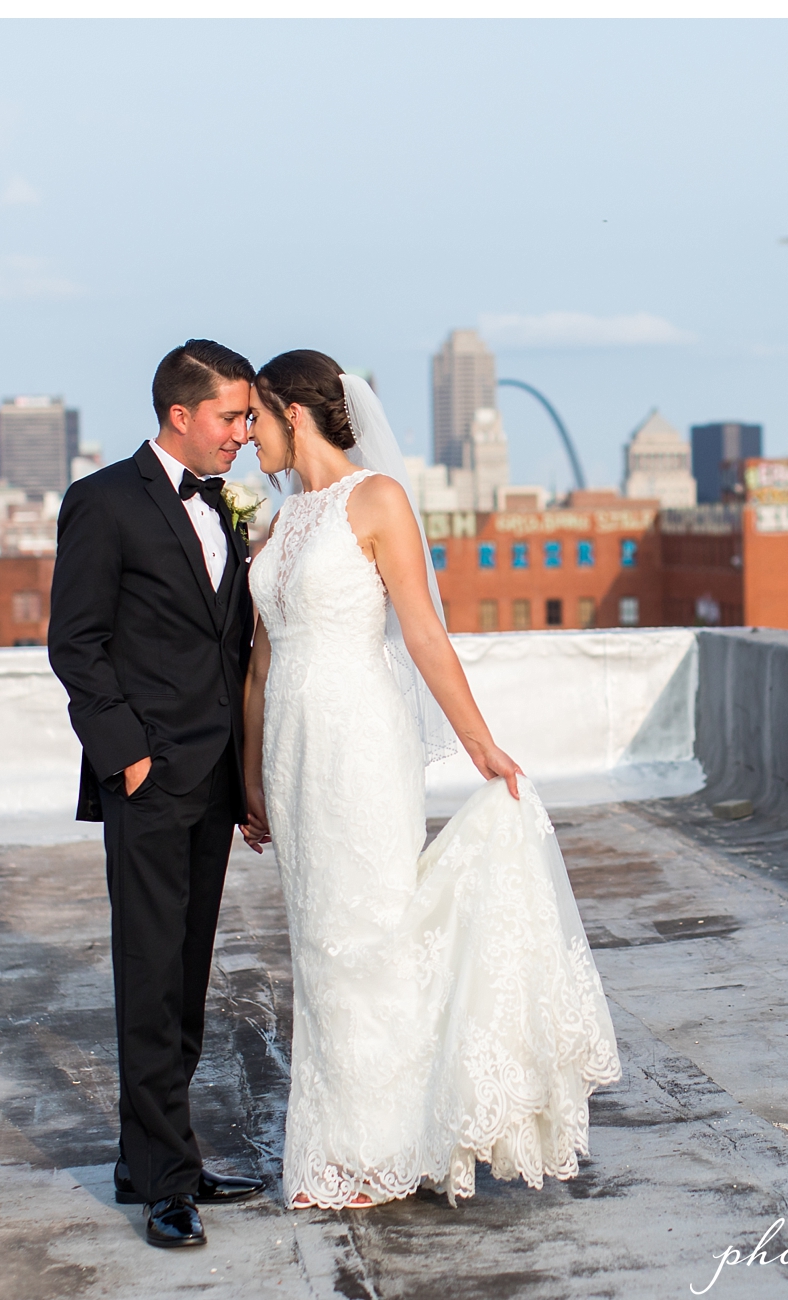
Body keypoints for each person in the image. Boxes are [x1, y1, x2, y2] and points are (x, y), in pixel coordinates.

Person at [239, 349, 620, 1209]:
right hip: (292, 754)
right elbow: (257, 667)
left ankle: (380, 1150)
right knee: (318, 946)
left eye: (255, 419)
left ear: (292, 413)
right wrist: (249, 775)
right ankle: (341, 1148)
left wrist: (480, 742)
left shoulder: (377, 499)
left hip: (360, 740)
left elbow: (424, 634)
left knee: (365, 935)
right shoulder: (275, 524)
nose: (247, 437)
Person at [47, 340, 268, 1250]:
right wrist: (126, 756)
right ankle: (166, 1181)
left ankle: (155, 1158)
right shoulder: (101, 502)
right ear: (181, 415)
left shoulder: (229, 504)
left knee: (183, 976)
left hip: (214, 780)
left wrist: (248, 772)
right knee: (148, 977)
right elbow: (76, 644)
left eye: (251, 418)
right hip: (147, 779)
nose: (246, 434)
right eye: (232, 417)